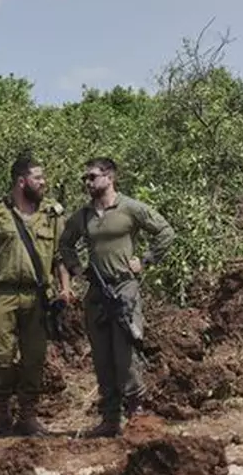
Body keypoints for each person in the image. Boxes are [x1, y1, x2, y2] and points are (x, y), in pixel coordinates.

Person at [59, 157, 176, 437]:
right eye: (85, 179)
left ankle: (136, 412)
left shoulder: (130, 207)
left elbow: (165, 232)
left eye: (92, 177)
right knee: (101, 356)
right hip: (97, 291)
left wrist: (145, 260)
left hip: (124, 288)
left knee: (124, 353)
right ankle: (111, 419)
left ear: (109, 177)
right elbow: (64, 243)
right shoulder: (84, 215)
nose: (87, 183)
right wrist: (76, 268)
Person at [0, 155, 73, 438]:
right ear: (21, 181)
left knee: (34, 358)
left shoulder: (52, 214)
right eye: (38, 178)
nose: (44, 183)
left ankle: (28, 415)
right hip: (2, 294)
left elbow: (61, 255)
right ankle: (0, 413)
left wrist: (65, 288)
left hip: (38, 296)